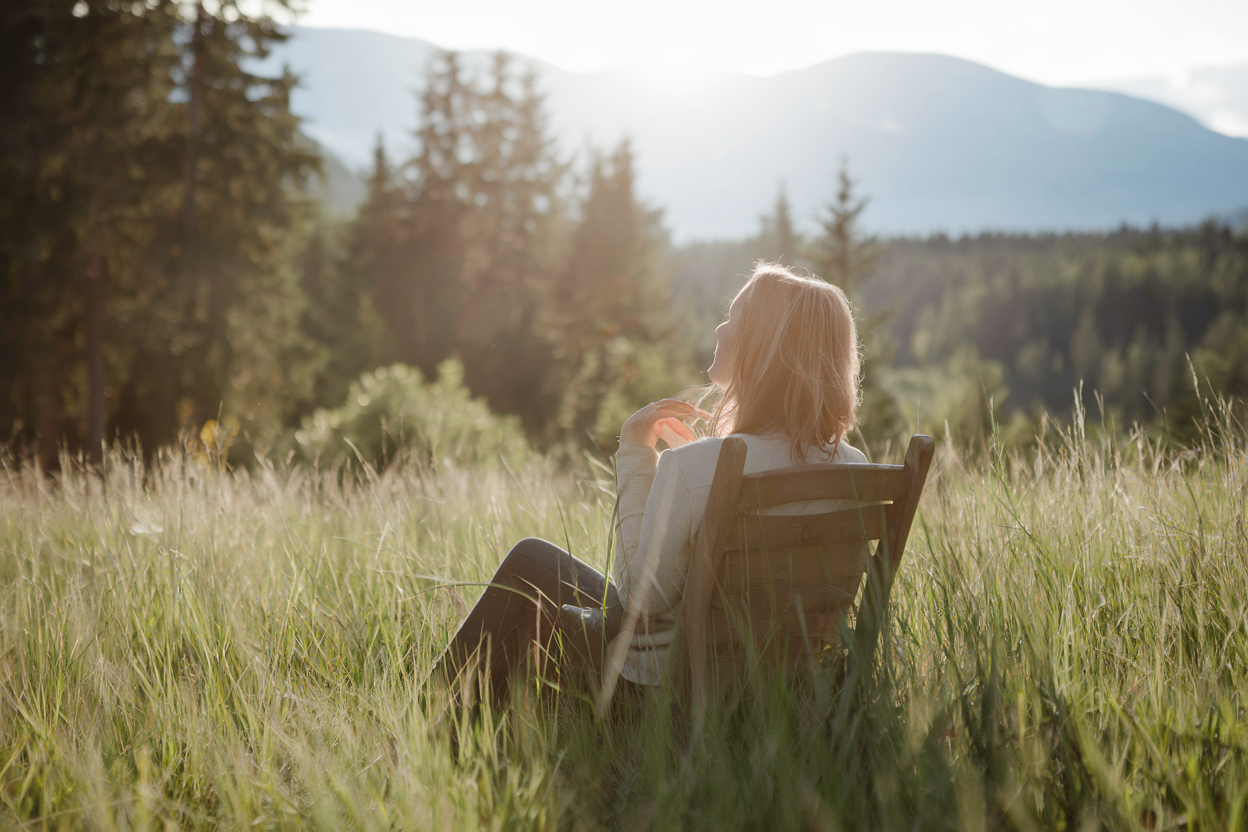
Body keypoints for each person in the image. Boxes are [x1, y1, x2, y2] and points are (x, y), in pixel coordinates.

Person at [432, 262, 866, 703]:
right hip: (787, 688)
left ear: (761, 346)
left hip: (668, 693)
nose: (720, 328)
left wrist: (637, 452)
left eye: (734, 319)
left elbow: (641, 601)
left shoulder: (696, 467)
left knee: (531, 560)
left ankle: (430, 713)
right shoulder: (855, 468)